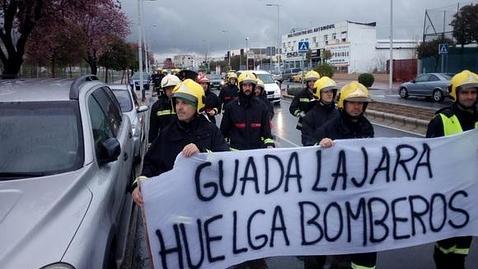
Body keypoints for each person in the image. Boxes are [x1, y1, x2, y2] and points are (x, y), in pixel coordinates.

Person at [132, 79, 230, 206]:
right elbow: (151, 162)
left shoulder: (211, 131)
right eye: (177, 102)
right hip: (174, 204)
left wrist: (202, 152)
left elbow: (225, 161)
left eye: (185, 103)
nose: (179, 107)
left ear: (197, 105)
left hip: (205, 203)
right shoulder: (167, 133)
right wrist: (140, 184)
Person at [317, 81, 375, 269]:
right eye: (353, 102)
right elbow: (311, 155)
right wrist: (321, 145)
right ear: (343, 103)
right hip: (336, 197)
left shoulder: (367, 127)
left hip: (361, 196)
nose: (357, 106)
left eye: (361, 103)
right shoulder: (330, 127)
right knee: (341, 252)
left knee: (364, 247)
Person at [426, 70, 478, 269]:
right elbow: (427, 156)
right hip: (448, 194)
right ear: (455, 93)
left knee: (463, 244)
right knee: (446, 245)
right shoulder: (441, 120)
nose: (470, 96)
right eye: (465, 92)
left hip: (472, 194)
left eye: (474, 92)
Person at [220, 71, 275, 151]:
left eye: (250, 85)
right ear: (240, 87)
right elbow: (223, 131)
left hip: (257, 152)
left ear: (253, 87)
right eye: (245, 85)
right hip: (236, 153)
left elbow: (266, 131)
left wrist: (269, 145)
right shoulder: (231, 107)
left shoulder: (262, 107)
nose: (247, 88)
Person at [301, 76, 340, 146]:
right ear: (318, 93)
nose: (329, 94)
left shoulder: (338, 114)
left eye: (331, 91)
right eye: (326, 91)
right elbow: (306, 140)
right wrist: (319, 144)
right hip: (318, 155)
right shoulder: (310, 116)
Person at [148, 74, 181, 142]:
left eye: (173, 87)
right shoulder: (157, 106)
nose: (171, 91)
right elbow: (153, 129)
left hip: (182, 142)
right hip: (164, 142)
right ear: (164, 90)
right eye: (168, 88)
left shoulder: (185, 104)